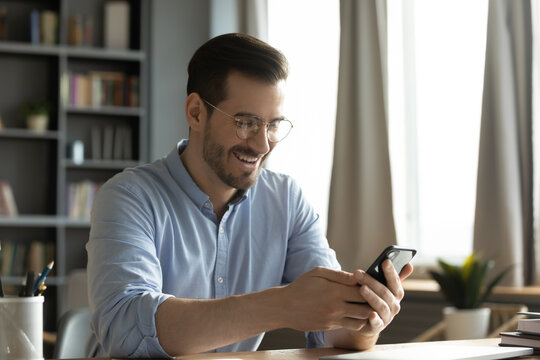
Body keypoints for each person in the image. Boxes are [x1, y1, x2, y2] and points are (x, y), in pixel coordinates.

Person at [85, 33, 413, 358]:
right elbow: (125, 331)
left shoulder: (286, 199)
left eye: (273, 125)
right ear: (196, 112)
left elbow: (332, 332)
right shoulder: (128, 196)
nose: (262, 145)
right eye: (245, 122)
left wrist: (365, 320)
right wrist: (280, 305)